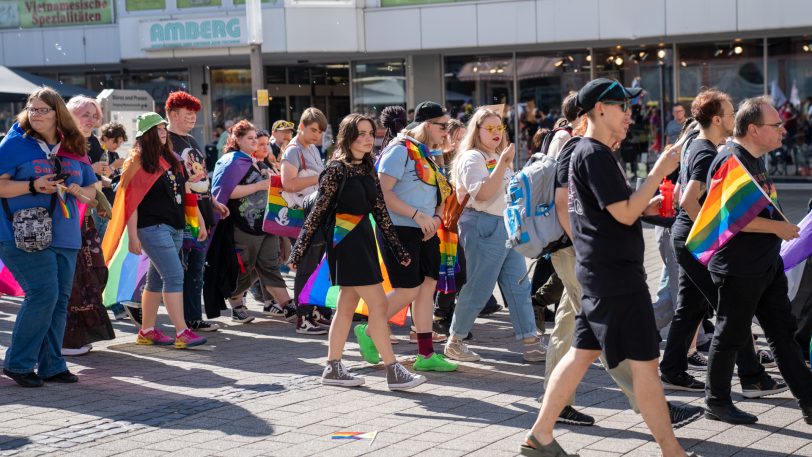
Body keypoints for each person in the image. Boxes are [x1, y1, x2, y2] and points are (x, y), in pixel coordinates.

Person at [523, 78, 693, 457]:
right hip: (615, 277)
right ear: (599, 109)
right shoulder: (594, 153)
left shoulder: (588, 151)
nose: (630, 115)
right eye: (623, 107)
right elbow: (625, 210)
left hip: (602, 273)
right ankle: (672, 451)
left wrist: (648, 205)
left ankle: (540, 434)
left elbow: (618, 211)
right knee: (646, 367)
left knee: (580, 354)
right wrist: (661, 170)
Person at [660, 90, 784, 397]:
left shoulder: (696, 145)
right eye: (730, 114)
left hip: (684, 237)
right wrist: (714, 234)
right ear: (716, 119)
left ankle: (672, 370)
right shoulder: (705, 152)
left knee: (690, 307)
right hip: (695, 240)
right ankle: (752, 377)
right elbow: (687, 199)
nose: (734, 119)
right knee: (732, 310)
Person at [289, 113, 426, 390]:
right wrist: (298, 251)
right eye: (360, 134)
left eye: (369, 133)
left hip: (363, 240)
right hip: (346, 243)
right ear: (348, 136)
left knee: (347, 306)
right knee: (377, 305)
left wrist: (398, 250)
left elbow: (381, 212)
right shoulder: (336, 169)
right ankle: (392, 369)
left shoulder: (367, 167)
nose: (367, 139)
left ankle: (334, 367)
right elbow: (317, 213)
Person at [702, 96, 812, 425]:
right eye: (776, 125)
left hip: (764, 264)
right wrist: (779, 227)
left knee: (782, 332)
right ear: (753, 129)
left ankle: (808, 400)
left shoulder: (753, 159)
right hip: (739, 267)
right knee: (730, 334)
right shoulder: (730, 161)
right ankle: (717, 401)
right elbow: (731, 219)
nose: (783, 130)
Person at [0, 87, 98, 387]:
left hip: (65, 234)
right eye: (32, 108)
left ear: (59, 114)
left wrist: (77, 191)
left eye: (43, 109)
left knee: (58, 301)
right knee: (43, 293)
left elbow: (92, 193)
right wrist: (33, 185)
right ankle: (18, 363)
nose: (36, 114)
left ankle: (52, 364)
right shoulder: (15, 143)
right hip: (20, 233)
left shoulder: (74, 146)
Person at [354, 101, 457, 372]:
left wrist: (435, 218)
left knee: (426, 290)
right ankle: (368, 330)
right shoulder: (399, 151)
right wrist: (417, 216)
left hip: (427, 230)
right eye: (442, 126)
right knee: (408, 289)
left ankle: (425, 355)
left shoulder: (427, 154)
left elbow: (441, 192)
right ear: (426, 125)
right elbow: (382, 193)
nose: (446, 132)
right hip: (399, 229)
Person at [444, 108, 545, 363]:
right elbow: (484, 194)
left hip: (505, 225)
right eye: (489, 128)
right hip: (483, 224)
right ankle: (455, 340)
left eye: (499, 127)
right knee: (479, 286)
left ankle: (530, 342)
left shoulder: (495, 156)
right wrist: (503, 163)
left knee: (519, 286)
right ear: (476, 131)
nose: (496, 133)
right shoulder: (472, 158)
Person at [102, 112, 208, 349]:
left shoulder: (171, 158)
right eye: (157, 130)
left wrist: (199, 220)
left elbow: (186, 191)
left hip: (176, 227)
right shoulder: (137, 161)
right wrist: (133, 236)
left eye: (163, 129)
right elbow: (130, 201)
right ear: (146, 135)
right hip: (152, 228)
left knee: (157, 279)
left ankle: (147, 330)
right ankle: (182, 331)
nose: (162, 133)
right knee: (174, 276)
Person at [213, 120, 295, 325]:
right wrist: (259, 185)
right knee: (244, 267)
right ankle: (236, 303)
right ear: (237, 140)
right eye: (249, 138)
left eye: (254, 138)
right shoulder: (232, 160)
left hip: (265, 224)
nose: (254, 141)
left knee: (270, 265)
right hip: (243, 225)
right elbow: (227, 192)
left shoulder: (253, 161)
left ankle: (289, 307)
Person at [165, 91, 229, 333]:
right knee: (181, 269)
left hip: (202, 211)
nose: (192, 118)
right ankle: (184, 320)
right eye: (187, 114)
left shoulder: (191, 140)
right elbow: (180, 182)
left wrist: (212, 201)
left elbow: (199, 177)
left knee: (196, 270)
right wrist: (199, 215)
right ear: (172, 114)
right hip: (184, 214)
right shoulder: (166, 142)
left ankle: (193, 317)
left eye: (194, 114)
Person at [281, 108, 331, 333]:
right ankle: (303, 317)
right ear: (301, 126)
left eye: (320, 131)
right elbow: (288, 183)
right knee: (306, 267)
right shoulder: (293, 151)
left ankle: (312, 312)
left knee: (314, 267)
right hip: (302, 216)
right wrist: (321, 177)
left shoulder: (310, 148)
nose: (317, 135)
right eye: (313, 130)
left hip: (314, 214)